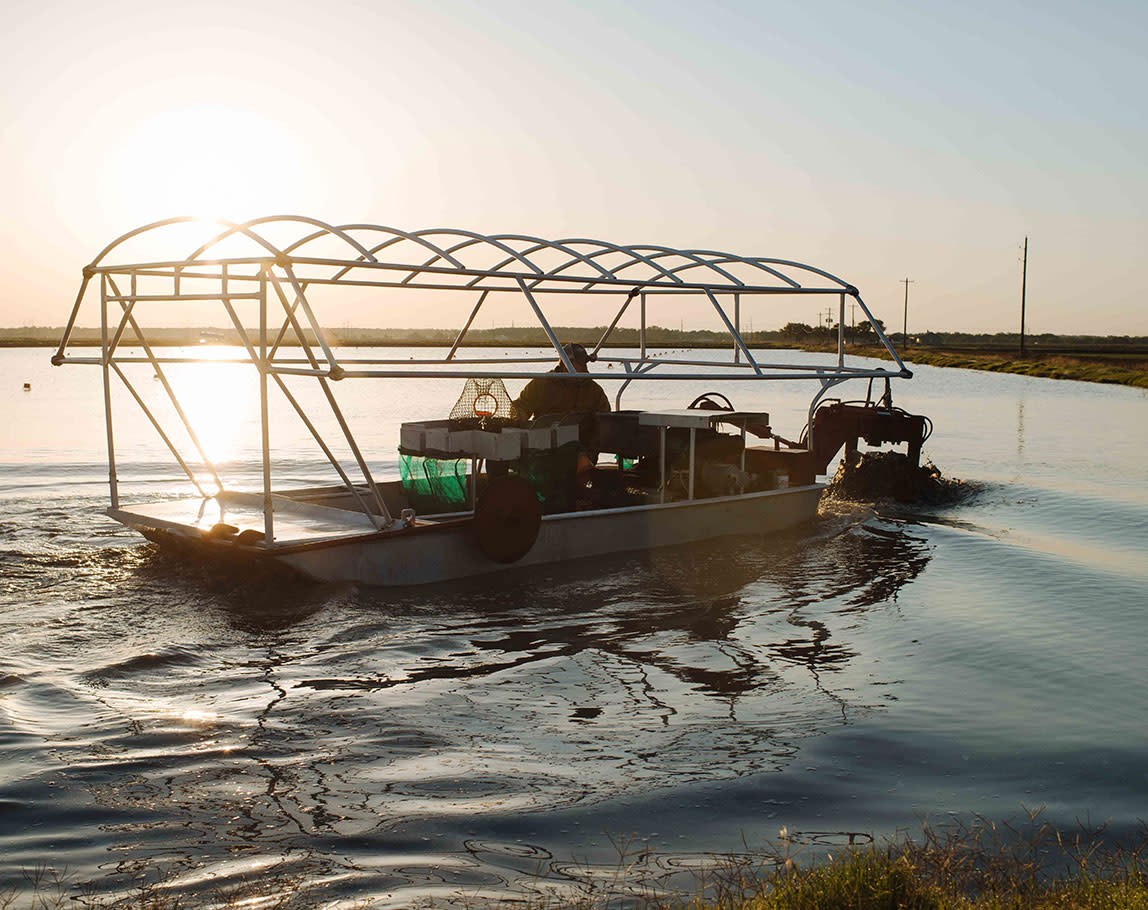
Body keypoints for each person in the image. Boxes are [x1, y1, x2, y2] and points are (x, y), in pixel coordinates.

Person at [511, 342, 610, 474]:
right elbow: (521, 406)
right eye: (579, 363)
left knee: (577, 451)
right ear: (565, 363)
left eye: (584, 363)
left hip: (580, 448)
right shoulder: (541, 383)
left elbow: (605, 422)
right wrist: (518, 415)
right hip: (542, 447)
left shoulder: (594, 390)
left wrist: (591, 452)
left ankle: (583, 472)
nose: (583, 367)